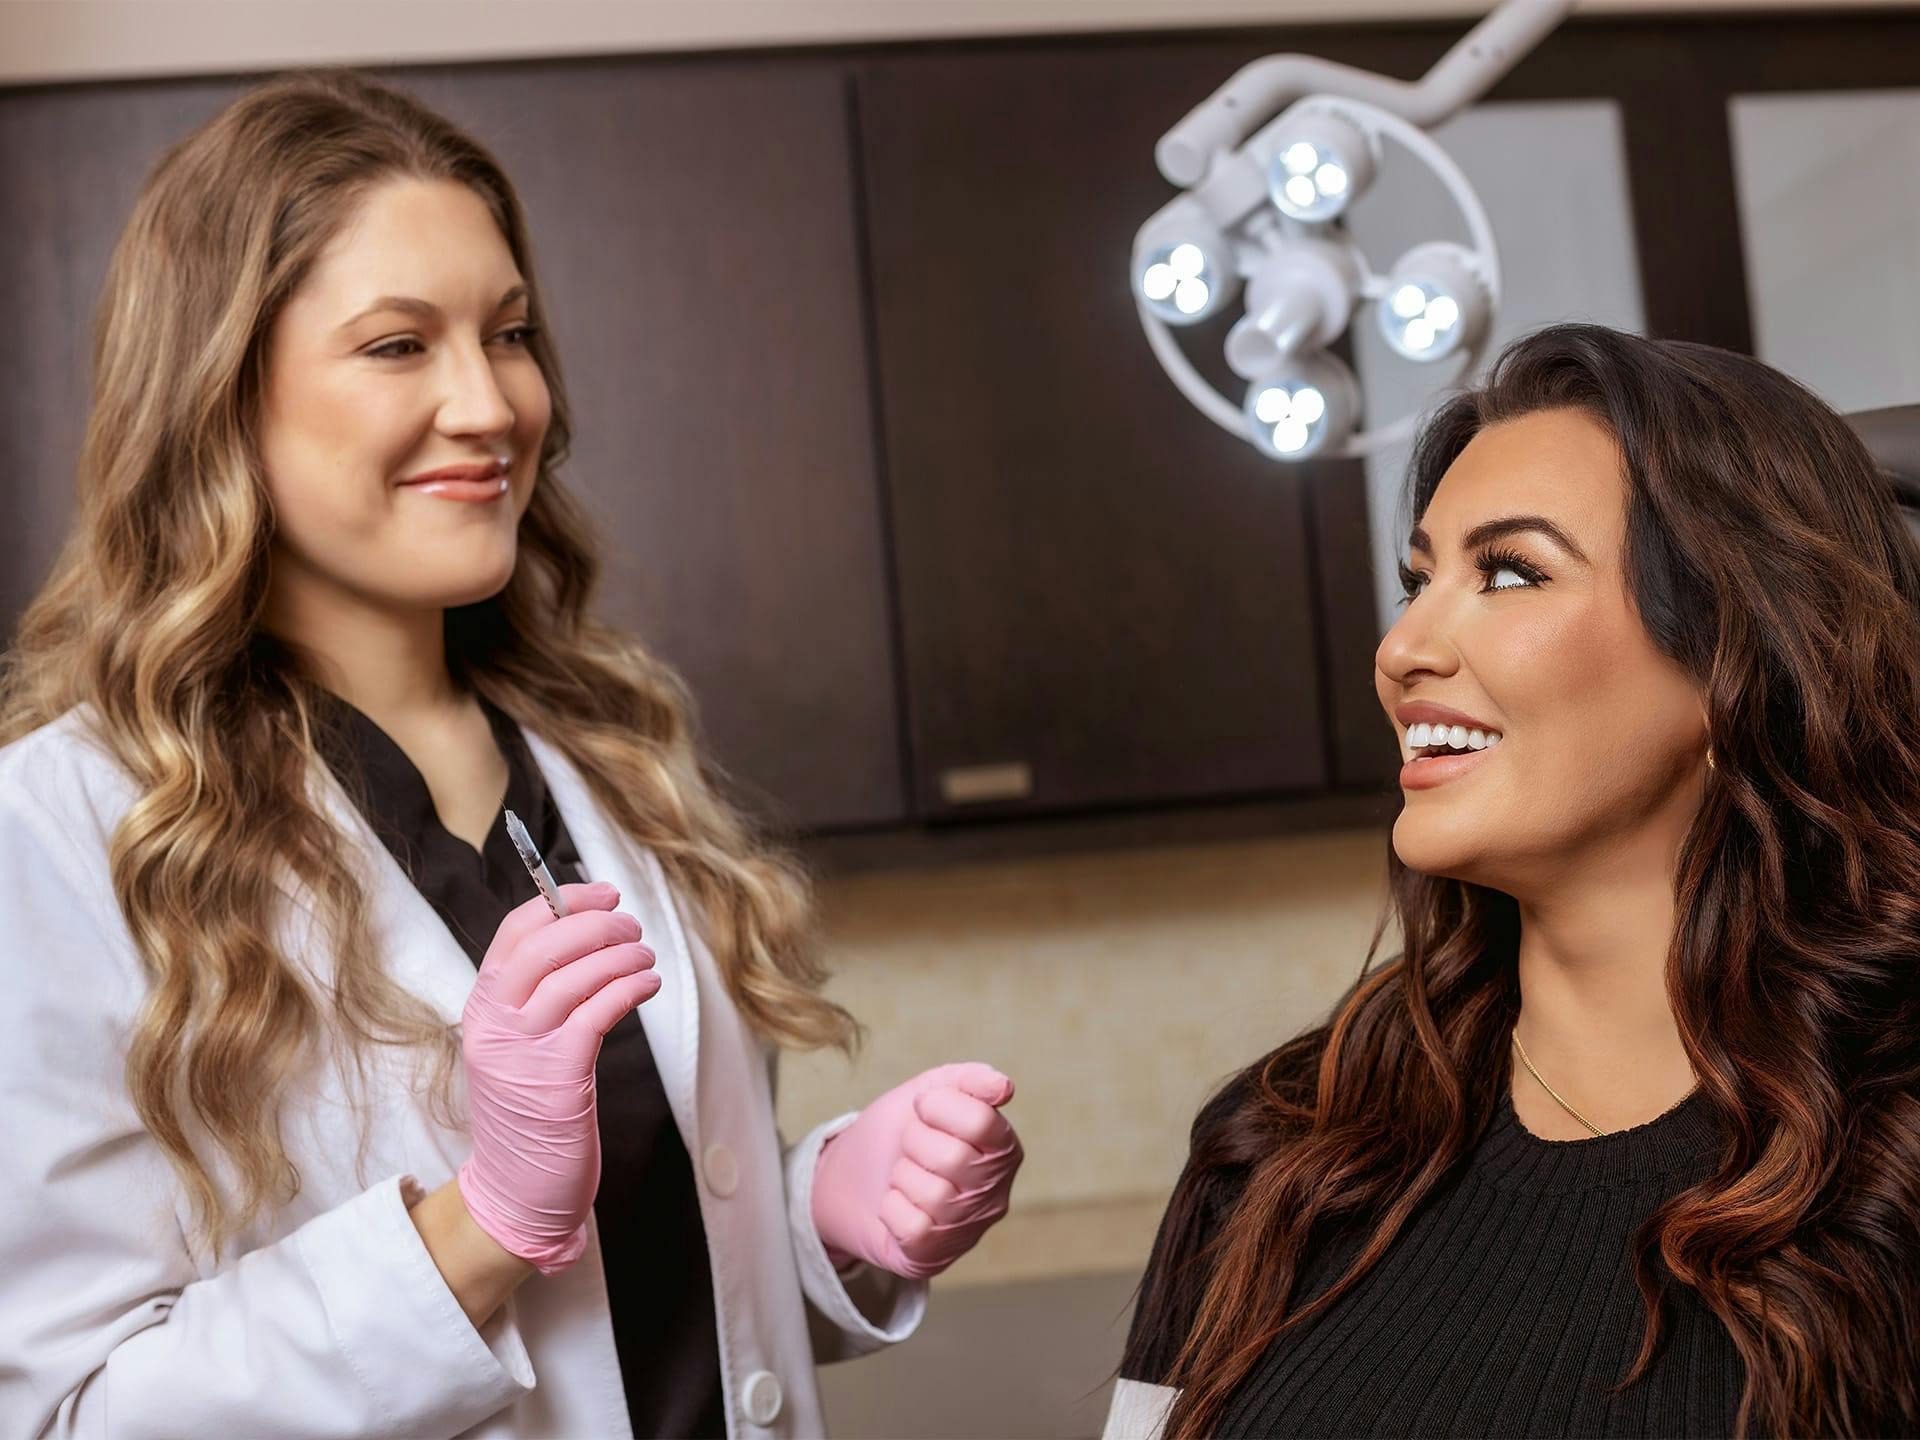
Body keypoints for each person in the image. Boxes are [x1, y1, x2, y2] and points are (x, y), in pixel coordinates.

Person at [0, 69, 1022, 1439]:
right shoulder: (65, 829)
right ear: (221, 398)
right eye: (399, 345)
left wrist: (819, 1215)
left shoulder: (606, 755)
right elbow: (69, 1413)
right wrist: (478, 1224)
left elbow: (650, 1284)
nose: (492, 406)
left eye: (512, 334)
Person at [1107, 324, 1920, 1439]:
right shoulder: (1277, 1151)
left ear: (1739, 659)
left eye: (1509, 572)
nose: (1403, 648)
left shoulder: (1890, 1174)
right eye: (1419, 578)